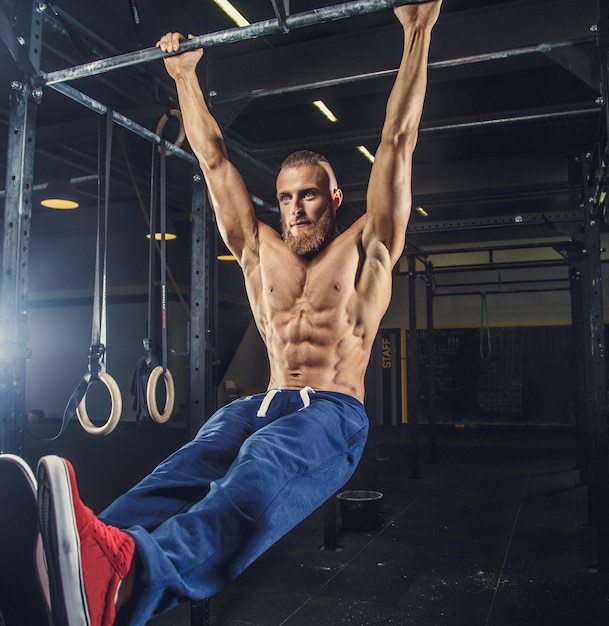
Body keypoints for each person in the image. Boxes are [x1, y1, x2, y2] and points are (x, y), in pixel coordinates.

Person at [3, 2, 442, 625]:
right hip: (261, 403)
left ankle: (127, 583)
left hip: (332, 413)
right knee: (177, 474)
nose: (295, 208)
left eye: (309, 195)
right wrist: (184, 77)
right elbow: (213, 160)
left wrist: (418, 30)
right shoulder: (259, 250)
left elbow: (400, 138)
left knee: (254, 481)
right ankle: (68, 563)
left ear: (335, 198)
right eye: (286, 197)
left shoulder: (370, 243)